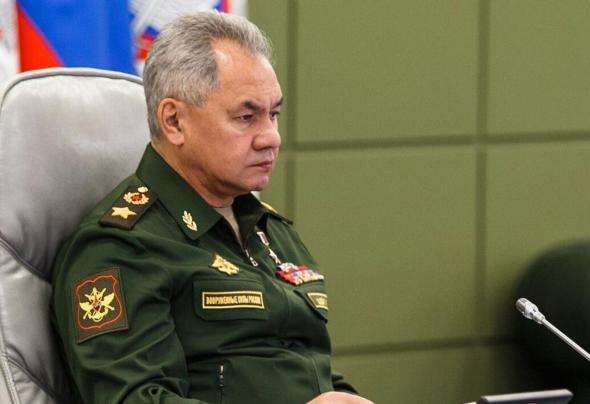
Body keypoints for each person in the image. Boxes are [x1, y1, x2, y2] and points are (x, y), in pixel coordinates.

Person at [51, 11, 373, 404]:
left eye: (273, 115)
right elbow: (136, 399)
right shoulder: (121, 247)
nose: (271, 137)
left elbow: (308, 368)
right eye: (246, 117)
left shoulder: (272, 232)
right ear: (174, 121)